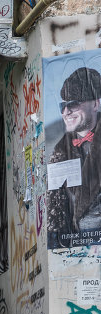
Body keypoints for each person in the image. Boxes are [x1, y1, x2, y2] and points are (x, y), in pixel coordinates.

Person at [47, 67, 101, 248]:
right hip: (75, 247)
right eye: (63, 106)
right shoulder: (60, 152)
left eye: (74, 104)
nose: (66, 112)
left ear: (96, 104)